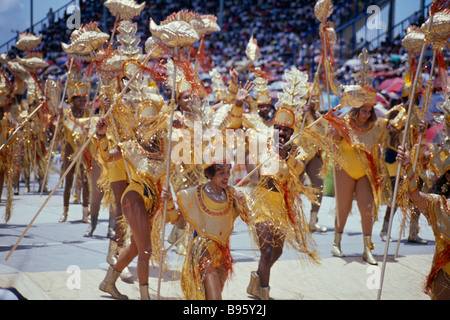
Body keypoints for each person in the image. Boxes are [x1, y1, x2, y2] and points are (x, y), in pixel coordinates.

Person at [97, 94, 177, 300]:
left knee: (135, 247)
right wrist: (101, 136)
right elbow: (106, 157)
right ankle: (145, 296)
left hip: (152, 203)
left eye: (152, 124)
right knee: (146, 250)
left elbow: (164, 180)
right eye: (143, 125)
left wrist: (167, 196)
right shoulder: (130, 147)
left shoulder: (165, 149)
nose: (147, 129)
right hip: (133, 198)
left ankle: (108, 283)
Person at [161, 162, 251, 300]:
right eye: (221, 173)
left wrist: (243, 203)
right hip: (203, 252)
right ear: (209, 174)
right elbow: (176, 218)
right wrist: (169, 202)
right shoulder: (194, 194)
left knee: (209, 296)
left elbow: (248, 218)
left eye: (228, 171)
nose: (226, 176)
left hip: (223, 253)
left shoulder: (233, 193)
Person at [326, 85, 392, 265]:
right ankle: (336, 243)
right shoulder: (343, 123)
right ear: (356, 109)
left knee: (367, 207)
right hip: (344, 169)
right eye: (363, 111)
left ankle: (367, 248)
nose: (366, 114)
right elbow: (331, 142)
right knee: (343, 206)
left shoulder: (376, 126)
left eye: (369, 111)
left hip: (365, 172)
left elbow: (390, 138)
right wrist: (332, 134)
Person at [396, 146, 450, 300]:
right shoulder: (440, 206)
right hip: (446, 278)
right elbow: (416, 196)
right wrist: (407, 166)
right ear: (448, 177)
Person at [59, 74, 91, 224]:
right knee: (69, 181)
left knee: (85, 181)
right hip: (70, 150)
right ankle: (65, 213)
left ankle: (85, 213)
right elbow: (70, 129)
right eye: (80, 99)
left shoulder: (88, 114)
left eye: (84, 99)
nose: (83, 102)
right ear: (71, 101)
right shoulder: (66, 114)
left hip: (84, 151)